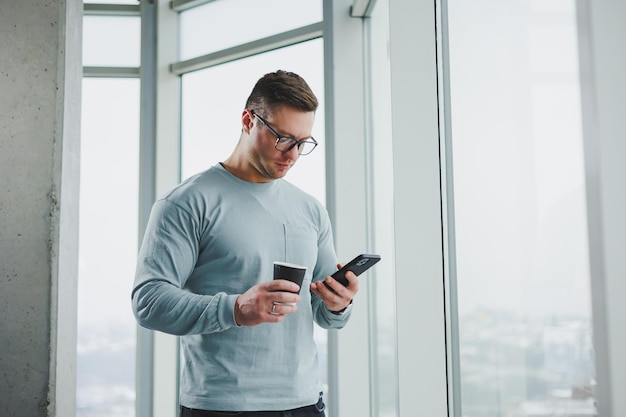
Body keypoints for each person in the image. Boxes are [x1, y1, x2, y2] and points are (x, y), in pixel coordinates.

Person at [132, 70, 359, 417]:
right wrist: (236, 309)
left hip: (305, 404)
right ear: (248, 120)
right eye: (283, 138)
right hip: (220, 407)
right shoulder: (186, 202)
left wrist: (339, 304)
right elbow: (148, 302)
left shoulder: (311, 210)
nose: (293, 154)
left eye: (303, 142)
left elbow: (326, 316)